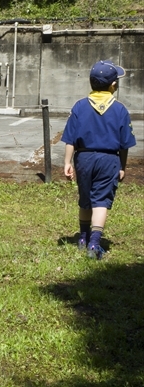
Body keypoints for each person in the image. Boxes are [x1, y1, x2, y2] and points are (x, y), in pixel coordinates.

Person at [62, 60, 136, 260]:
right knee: (100, 201)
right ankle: (94, 243)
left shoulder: (79, 106)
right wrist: (122, 166)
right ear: (113, 85)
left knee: (85, 200)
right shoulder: (120, 110)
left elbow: (70, 139)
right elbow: (124, 144)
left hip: (83, 158)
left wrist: (67, 163)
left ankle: (83, 238)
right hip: (109, 159)